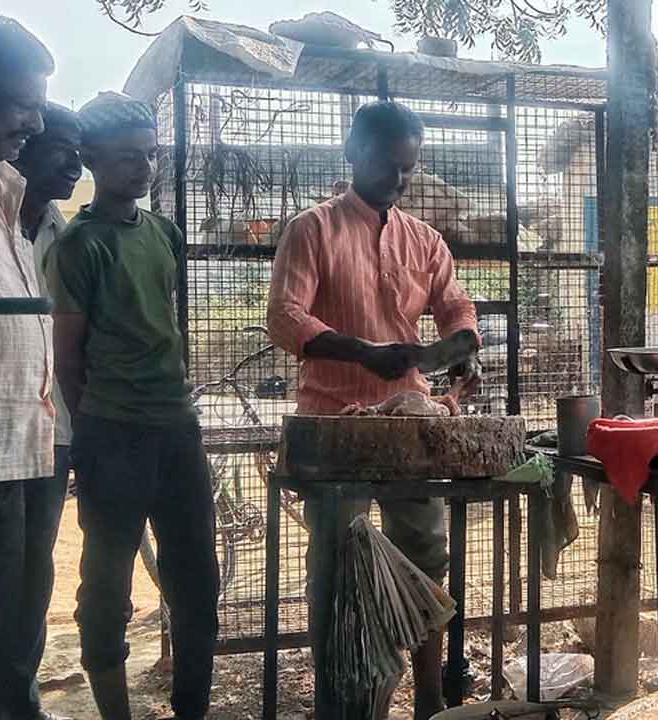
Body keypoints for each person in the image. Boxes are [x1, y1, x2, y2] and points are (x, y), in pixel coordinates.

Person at [267, 101, 480, 720]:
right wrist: (364, 351)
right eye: (387, 166)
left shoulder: (425, 239)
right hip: (334, 428)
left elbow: (455, 307)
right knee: (343, 569)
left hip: (409, 423)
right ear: (353, 154)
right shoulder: (314, 229)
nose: (396, 181)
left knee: (426, 560)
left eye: (407, 171)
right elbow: (285, 319)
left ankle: (430, 701)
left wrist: (461, 348)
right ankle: (347, 705)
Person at [48, 92, 219, 720]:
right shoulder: (79, 245)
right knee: (106, 586)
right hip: (113, 433)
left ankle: (191, 709)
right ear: (91, 157)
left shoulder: (165, 233)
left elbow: (164, 324)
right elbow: (69, 357)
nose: (142, 169)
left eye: (149, 156)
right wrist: (97, 427)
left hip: (177, 430)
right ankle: (115, 711)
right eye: (126, 158)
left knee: (198, 581)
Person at [0, 14, 60, 720]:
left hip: (19, 452)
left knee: (14, 632)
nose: (35, 124)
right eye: (22, 103)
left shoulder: (4, 197)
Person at [3, 102, 81, 720]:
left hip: (49, 431)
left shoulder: (65, 232)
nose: (74, 163)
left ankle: (20, 696)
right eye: (61, 147)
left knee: (33, 574)